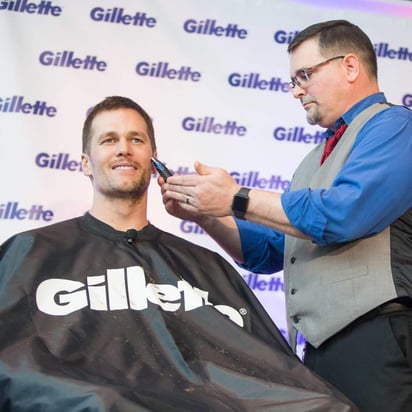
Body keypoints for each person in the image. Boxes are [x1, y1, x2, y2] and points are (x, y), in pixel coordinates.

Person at [0, 96, 358, 411]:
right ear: (84, 163)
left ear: (154, 159)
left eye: (135, 139)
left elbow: (269, 371)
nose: (123, 148)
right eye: (109, 140)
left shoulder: (204, 267)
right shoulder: (32, 253)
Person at [160, 20, 412, 412]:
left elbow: (344, 213)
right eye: (293, 80)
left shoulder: (396, 126)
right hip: (320, 354)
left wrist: (235, 198)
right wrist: (208, 213)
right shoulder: (314, 159)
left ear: (349, 66)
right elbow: (268, 252)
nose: (296, 90)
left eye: (305, 75)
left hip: (379, 341)